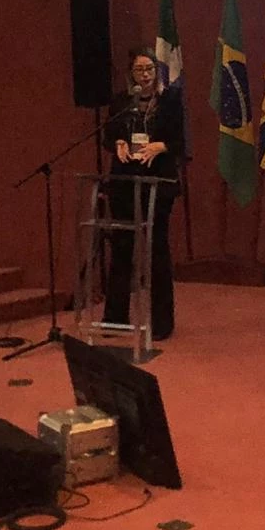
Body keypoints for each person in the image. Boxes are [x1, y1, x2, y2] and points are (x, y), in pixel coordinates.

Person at [102, 47, 184, 340]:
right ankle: (115, 320)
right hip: (125, 183)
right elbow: (108, 135)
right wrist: (119, 143)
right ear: (131, 74)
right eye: (139, 70)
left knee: (157, 250)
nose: (145, 75)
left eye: (150, 69)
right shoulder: (121, 102)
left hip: (158, 183)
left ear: (157, 71)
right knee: (122, 249)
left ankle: (161, 324)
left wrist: (161, 146)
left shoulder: (170, 101)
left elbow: (181, 140)